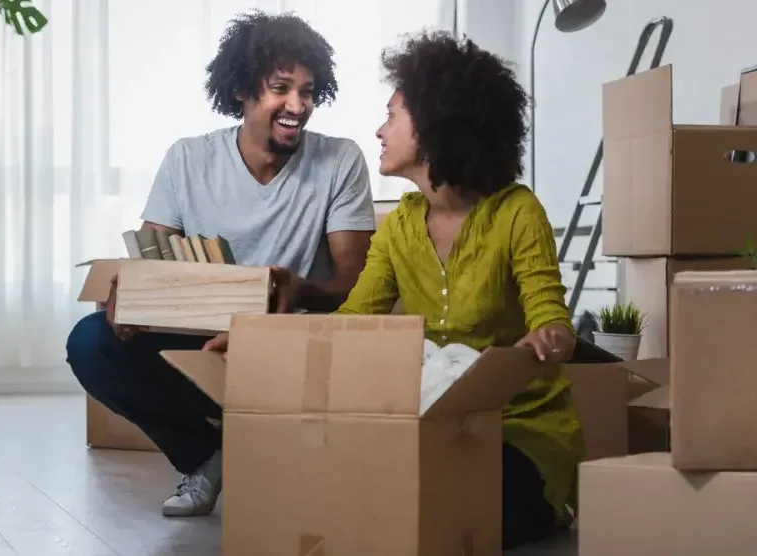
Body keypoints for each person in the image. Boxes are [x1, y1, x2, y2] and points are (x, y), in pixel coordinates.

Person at [204, 31, 584, 549]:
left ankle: (550, 504)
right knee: (375, 499)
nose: (380, 131)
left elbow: (549, 316)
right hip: (430, 426)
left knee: (448, 513)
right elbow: (353, 318)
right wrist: (261, 342)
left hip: (516, 428)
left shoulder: (517, 212)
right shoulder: (403, 223)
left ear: (432, 127)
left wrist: (551, 339)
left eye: (392, 115)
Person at [65, 10, 376, 518]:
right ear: (240, 89)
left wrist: (296, 289)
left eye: (308, 91)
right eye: (280, 88)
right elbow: (148, 257)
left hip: (288, 338)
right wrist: (127, 296)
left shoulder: (340, 160)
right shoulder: (189, 159)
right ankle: (207, 458)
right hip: (202, 338)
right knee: (91, 340)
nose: (297, 105)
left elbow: (353, 283)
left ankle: (262, 448)